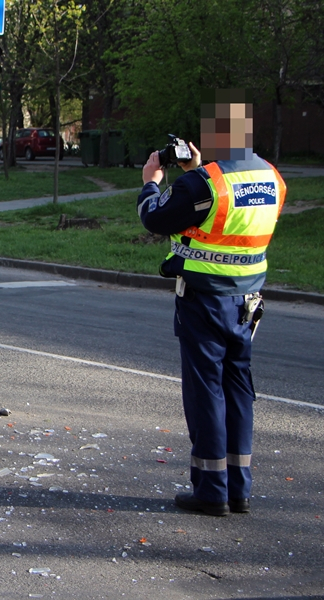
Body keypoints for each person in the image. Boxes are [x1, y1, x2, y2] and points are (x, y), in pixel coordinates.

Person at [137, 89, 287, 516]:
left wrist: (152, 180)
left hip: (205, 302)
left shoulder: (201, 184)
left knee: (206, 392)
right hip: (248, 302)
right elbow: (234, 219)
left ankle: (211, 490)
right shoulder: (272, 178)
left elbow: (155, 217)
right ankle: (238, 487)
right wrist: (198, 170)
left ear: (213, 135)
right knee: (239, 389)